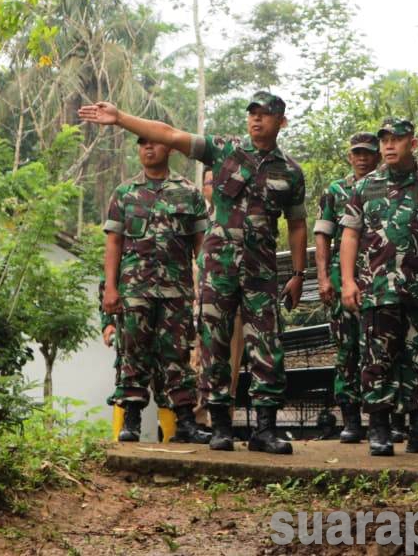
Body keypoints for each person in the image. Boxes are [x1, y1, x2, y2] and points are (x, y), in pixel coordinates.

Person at [80, 91, 306, 455]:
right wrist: (120, 117)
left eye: (266, 115)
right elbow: (168, 133)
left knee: (267, 347)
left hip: (262, 273)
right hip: (219, 272)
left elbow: (297, 223)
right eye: (252, 114)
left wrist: (298, 272)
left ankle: (265, 429)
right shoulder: (224, 149)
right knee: (214, 347)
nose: (256, 120)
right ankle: (220, 427)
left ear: (282, 121)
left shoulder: (291, 172)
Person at [340, 118, 418, 457]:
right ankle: (379, 429)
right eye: (385, 140)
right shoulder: (365, 187)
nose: (389, 146)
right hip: (377, 290)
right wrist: (348, 281)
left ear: (413, 143)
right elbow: (349, 235)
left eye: (397, 139)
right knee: (377, 360)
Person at [101, 135, 209, 443]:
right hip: (135, 290)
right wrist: (111, 287)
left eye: (155, 143)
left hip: (177, 291)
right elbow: (114, 244)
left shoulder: (189, 193)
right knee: (133, 353)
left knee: (177, 354)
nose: (148, 148)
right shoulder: (125, 194)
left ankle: (185, 420)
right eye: (142, 143)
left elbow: (201, 248)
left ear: (170, 149)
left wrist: (203, 288)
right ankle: (131, 421)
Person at [313, 132, 381, 444]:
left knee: (381, 350)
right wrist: (324, 278)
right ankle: (351, 419)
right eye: (357, 153)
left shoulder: (385, 187)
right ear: (349, 156)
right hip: (344, 280)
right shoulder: (336, 191)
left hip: (380, 279)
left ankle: (384, 418)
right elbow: (323, 235)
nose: (363, 158)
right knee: (346, 350)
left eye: (368, 153)